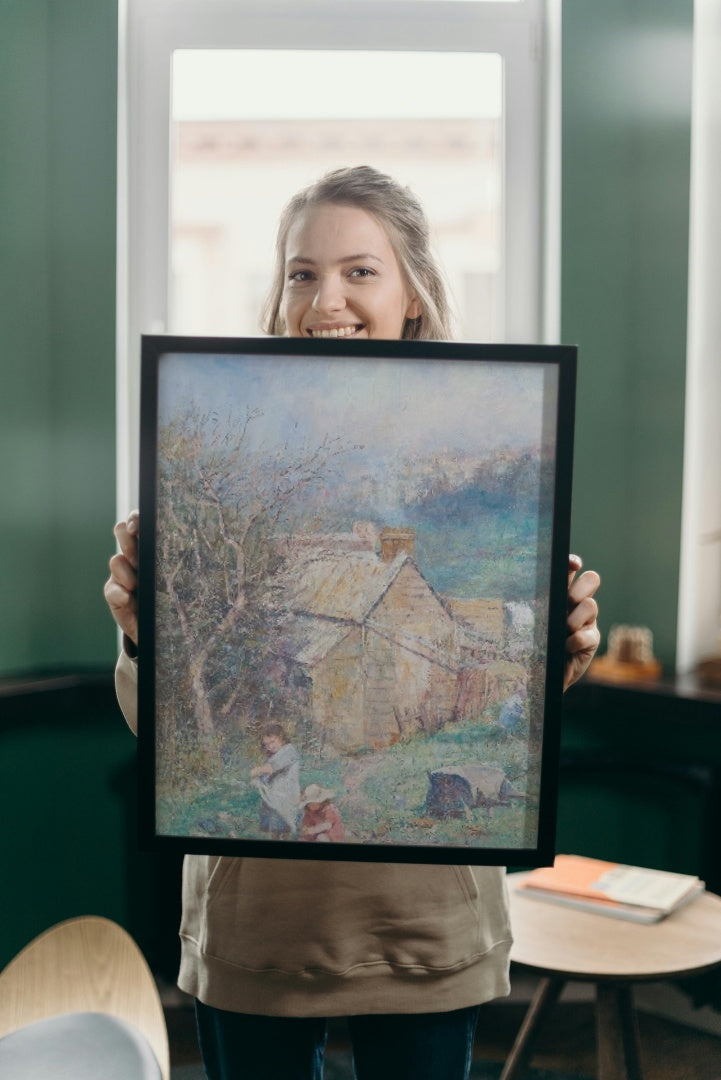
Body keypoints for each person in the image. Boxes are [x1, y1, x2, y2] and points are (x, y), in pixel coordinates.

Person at [105, 165, 601, 1080]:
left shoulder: (497, 425)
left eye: (359, 271)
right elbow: (163, 726)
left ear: (413, 291)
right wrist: (145, 635)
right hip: (257, 928)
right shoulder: (223, 446)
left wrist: (558, 652)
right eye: (301, 272)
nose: (324, 297)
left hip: (424, 927)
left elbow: (514, 701)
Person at [250, 723, 301, 838]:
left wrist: (256, 770)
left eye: (272, 742)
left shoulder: (289, 751)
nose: (270, 746)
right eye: (267, 744)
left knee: (284, 824)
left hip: (285, 796)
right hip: (274, 796)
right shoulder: (276, 755)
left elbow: (271, 768)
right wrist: (258, 779)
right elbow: (267, 775)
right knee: (274, 829)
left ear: (282, 737)